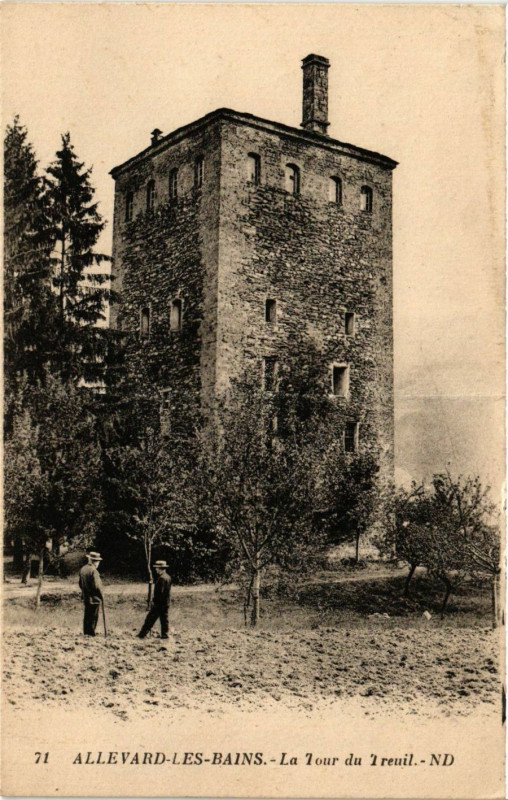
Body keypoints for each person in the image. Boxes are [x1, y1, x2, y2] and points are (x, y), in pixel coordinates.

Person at [137, 560, 172, 639]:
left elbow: (159, 592)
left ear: (160, 568)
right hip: (166, 602)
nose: (156, 570)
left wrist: (154, 602)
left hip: (159, 603)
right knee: (164, 620)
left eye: (157, 568)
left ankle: (142, 635)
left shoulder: (162, 579)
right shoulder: (168, 577)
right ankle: (165, 634)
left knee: (150, 619)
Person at [78, 551, 104, 636]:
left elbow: (80, 584)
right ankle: (91, 633)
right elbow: (97, 586)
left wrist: (84, 591)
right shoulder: (94, 571)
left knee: (87, 615)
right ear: (95, 562)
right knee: (93, 616)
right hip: (94, 597)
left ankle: (86, 632)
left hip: (85, 596)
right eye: (98, 561)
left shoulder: (83, 569)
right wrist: (101, 595)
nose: (98, 563)